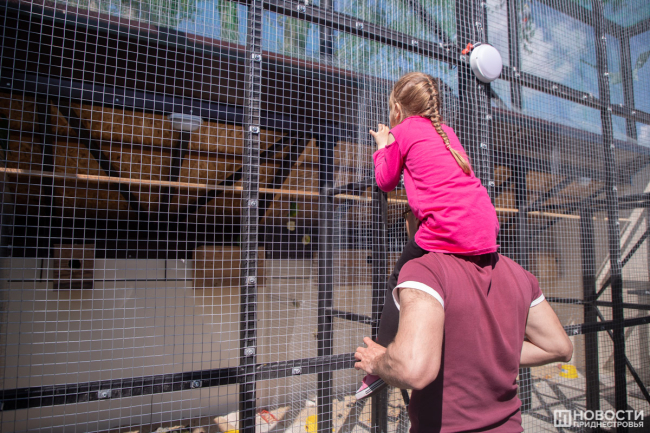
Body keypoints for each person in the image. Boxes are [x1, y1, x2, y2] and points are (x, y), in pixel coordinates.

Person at [356, 71, 500, 399]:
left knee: (399, 278)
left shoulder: (402, 131)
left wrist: (382, 146)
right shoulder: (446, 132)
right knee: (457, 286)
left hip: (447, 228)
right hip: (484, 226)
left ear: (397, 108)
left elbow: (385, 181)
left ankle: (381, 359)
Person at [354, 252, 573, 432]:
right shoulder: (519, 273)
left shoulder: (426, 268)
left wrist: (378, 361)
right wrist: (490, 350)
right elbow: (559, 348)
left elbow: (412, 370)